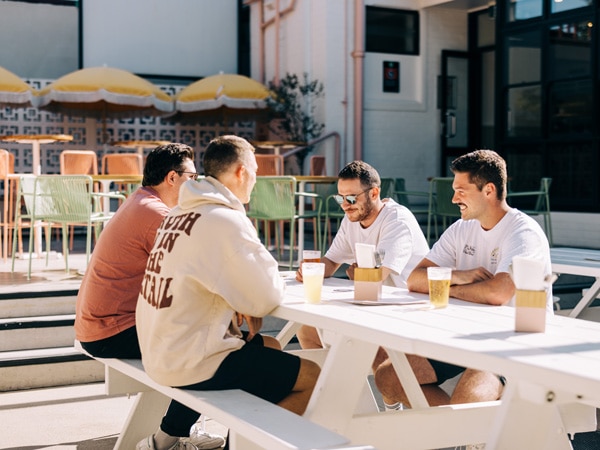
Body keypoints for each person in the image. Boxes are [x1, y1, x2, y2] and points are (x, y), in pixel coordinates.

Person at [135, 135, 321, 450]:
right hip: (192, 359)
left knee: (271, 347)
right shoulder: (223, 219)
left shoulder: (180, 213)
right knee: (313, 377)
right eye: (256, 171)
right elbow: (266, 297)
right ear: (240, 172)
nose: (256, 179)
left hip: (159, 349)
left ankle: (236, 442)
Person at [374, 149, 553, 409]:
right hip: (462, 335)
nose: (454, 197)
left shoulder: (523, 233)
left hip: (510, 342)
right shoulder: (461, 228)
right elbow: (414, 279)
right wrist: (458, 277)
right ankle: (454, 438)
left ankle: (468, 439)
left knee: (466, 402)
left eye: (461, 190)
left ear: (488, 190)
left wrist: (445, 289)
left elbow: (498, 293)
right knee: (389, 377)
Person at [74, 143, 225, 449]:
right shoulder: (155, 214)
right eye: (192, 176)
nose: (195, 183)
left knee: (206, 340)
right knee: (209, 353)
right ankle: (167, 439)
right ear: (172, 178)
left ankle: (181, 430)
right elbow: (199, 267)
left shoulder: (142, 203)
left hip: (103, 325)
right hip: (112, 329)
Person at [296, 160, 429, 349]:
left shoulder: (397, 221)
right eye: (340, 198)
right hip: (371, 303)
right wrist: (310, 269)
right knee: (307, 329)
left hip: (406, 309)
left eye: (351, 198)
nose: (344, 205)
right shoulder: (351, 218)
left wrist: (361, 275)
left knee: (349, 340)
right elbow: (332, 261)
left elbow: (375, 276)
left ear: (374, 193)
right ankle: (330, 378)